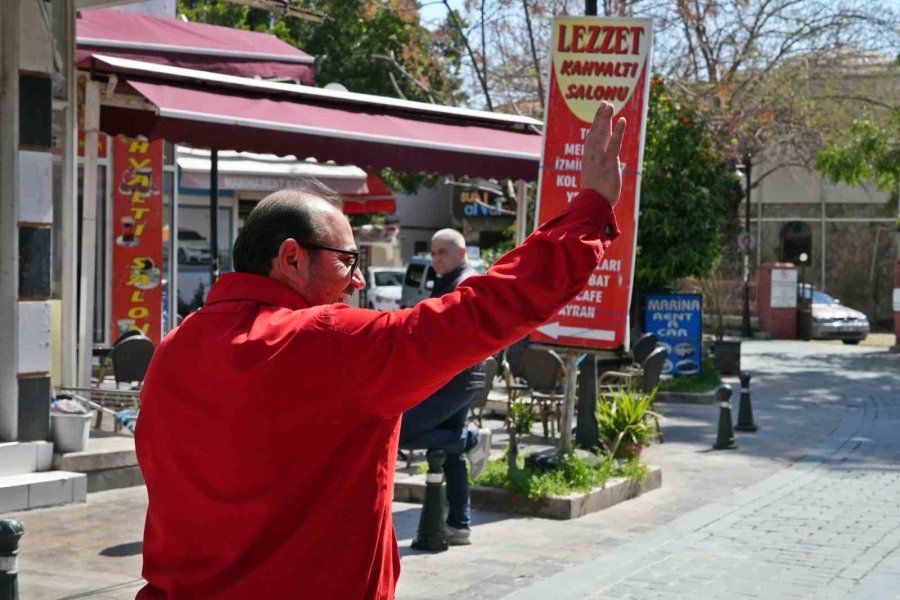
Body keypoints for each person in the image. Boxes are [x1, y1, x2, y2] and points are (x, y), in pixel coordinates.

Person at [135, 101, 626, 599]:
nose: (359, 280)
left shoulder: (175, 348)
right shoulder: (330, 341)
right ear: (291, 258)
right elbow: (486, 311)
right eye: (349, 261)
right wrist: (588, 212)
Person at [399, 228, 491, 546]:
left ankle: (470, 439)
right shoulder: (450, 280)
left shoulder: (464, 283)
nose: (436, 258)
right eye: (434, 252)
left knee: (404, 430)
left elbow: (454, 333)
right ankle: (460, 525)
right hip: (458, 375)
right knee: (449, 454)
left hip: (457, 377)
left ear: (461, 254)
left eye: (443, 252)